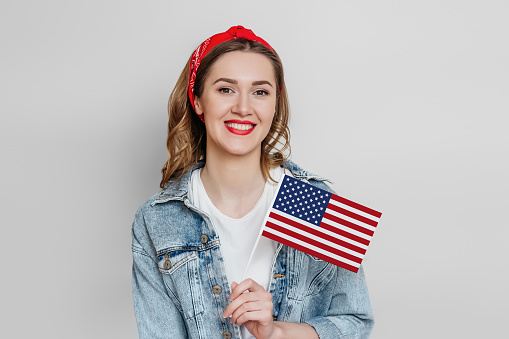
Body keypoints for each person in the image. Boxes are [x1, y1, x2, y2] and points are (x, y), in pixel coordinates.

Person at [132, 25, 374, 339]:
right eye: (225, 89)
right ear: (198, 100)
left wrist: (276, 333)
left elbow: (356, 323)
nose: (243, 108)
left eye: (260, 91)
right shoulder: (158, 219)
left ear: (275, 105)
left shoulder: (309, 199)